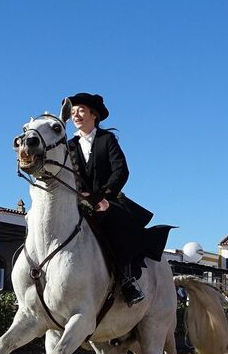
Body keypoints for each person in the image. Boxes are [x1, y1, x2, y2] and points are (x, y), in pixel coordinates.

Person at [64, 93, 169, 306]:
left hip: (108, 198)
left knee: (116, 228)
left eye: (81, 110)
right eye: (73, 112)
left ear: (94, 115)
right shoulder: (69, 145)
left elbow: (121, 171)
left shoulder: (106, 139)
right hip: (79, 200)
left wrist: (103, 196)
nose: (76, 115)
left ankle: (126, 280)